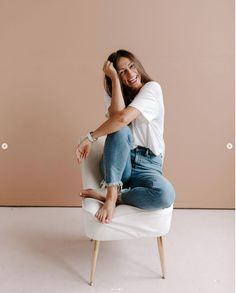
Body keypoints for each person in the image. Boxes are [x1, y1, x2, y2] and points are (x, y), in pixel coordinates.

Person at [76, 49, 176, 224]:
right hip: (120, 163)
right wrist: (115, 80)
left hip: (148, 165)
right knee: (120, 129)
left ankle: (114, 196)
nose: (130, 74)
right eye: (122, 72)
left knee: (165, 194)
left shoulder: (152, 88)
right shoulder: (114, 95)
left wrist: (90, 137)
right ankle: (111, 196)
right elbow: (118, 118)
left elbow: (123, 118)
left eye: (131, 66)